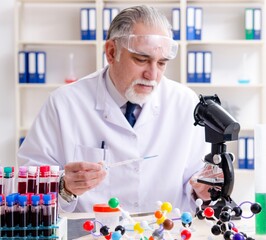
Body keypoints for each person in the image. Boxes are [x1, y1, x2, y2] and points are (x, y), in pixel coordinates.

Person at [18, 5, 212, 214]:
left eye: (162, 63)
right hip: (90, 234)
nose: (152, 74)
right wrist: (64, 187)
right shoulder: (64, 103)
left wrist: (203, 190)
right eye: (141, 59)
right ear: (111, 52)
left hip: (164, 231)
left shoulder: (185, 103)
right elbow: (28, 187)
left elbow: (197, 181)